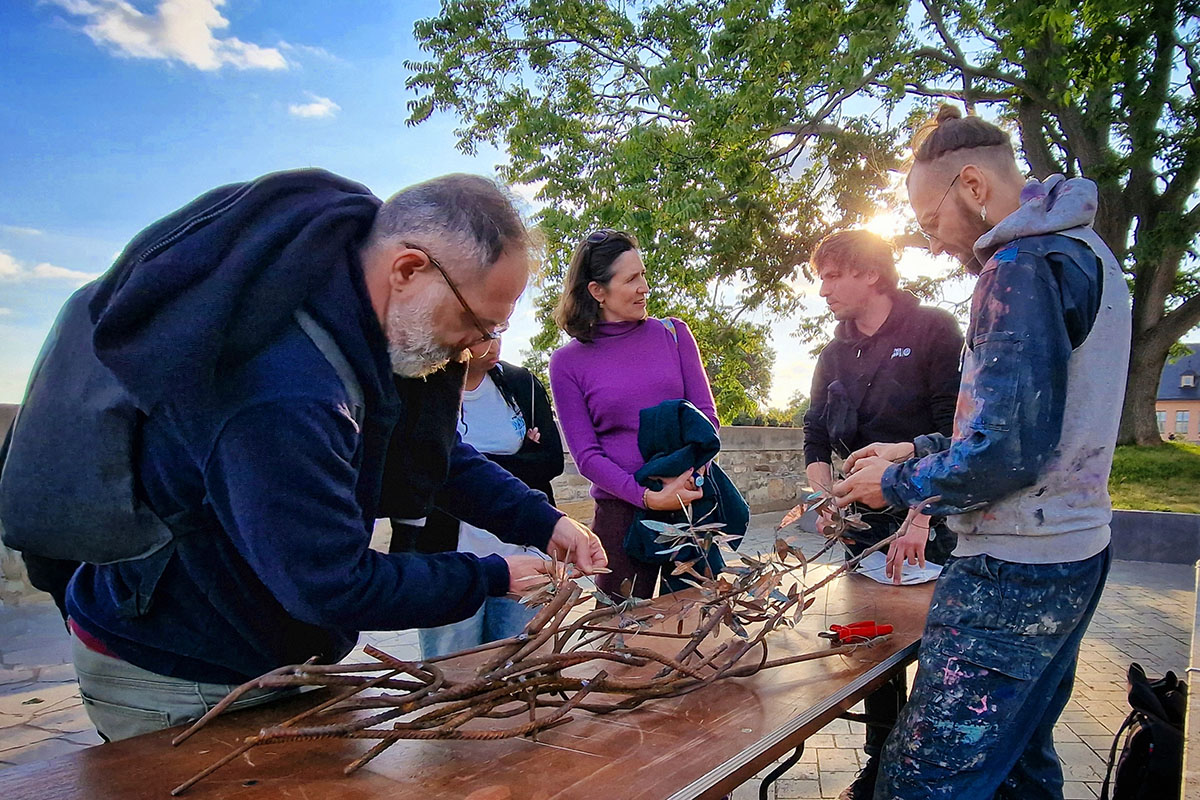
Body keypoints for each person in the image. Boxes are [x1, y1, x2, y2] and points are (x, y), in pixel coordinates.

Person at [27, 169, 605, 741]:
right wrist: (490, 575)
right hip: (182, 673)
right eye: (474, 322)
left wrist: (544, 521)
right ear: (409, 269)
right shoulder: (284, 391)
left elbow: (434, 456)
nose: (476, 345)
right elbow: (330, 587)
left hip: (276, 650)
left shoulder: (362, 321)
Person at [833, 106, 1131, 799]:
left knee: (920, 782)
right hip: (1075, 550)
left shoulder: (1019, 266)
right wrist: (917, 446)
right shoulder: (1086, 250)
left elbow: (1005, 457)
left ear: (970, 184)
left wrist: (899, 482)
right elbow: (1034, 426)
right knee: (1022, 765)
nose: (934, 245)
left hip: (1013, 569)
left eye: (931, 223)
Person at [802, 229, 963, 800]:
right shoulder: (834, 352)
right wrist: (827, 499)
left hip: (933, 521)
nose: (822, 289)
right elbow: (816, 434)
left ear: (869, 273)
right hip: (863, 529)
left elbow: (957, 431)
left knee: (934, 648)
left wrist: (920, 515)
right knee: (875, 647)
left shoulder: (934, 330)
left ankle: (930, 766)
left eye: (830, 275)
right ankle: (878, 766)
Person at [549, 229, 709, 599]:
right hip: (620, 517)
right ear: (597, 291)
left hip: (689, 504)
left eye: (644, 274)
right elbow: (586, 456)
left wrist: (687, 479)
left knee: (700, 633)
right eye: (632, 279)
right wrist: (646, 497)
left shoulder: (674, 334)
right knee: (619, 638)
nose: (645, 287)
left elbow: (705, 416)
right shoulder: (567, 362)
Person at [418, 335, 565, 658]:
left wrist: (470, 462)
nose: (494, 342)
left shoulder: (520, 383)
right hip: (450, 558)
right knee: (452, 670)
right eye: (483, 333)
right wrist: (509, 461)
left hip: (524, 553)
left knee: (521, 667)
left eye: (499, 331)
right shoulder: (423, 386)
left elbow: (551, 460)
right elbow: (423, 469)